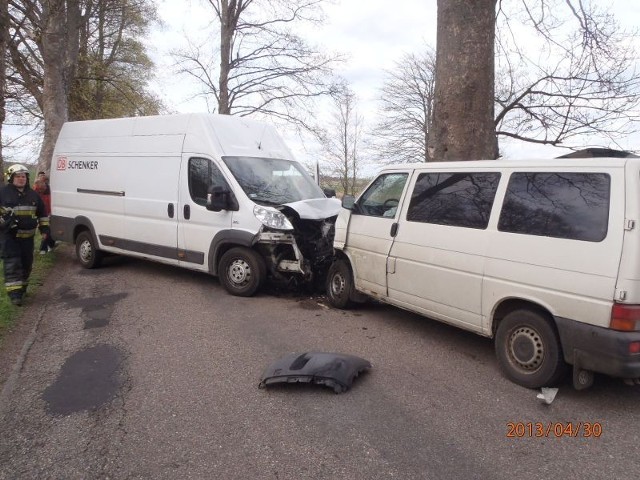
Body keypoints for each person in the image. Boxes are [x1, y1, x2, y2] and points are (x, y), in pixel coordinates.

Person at [0, 164, 50, 306]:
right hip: (9, 238)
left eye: (23, 176)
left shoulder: (33, 195)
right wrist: (3, 221)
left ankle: (22, 289)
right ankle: (15, 295)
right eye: (18, 176)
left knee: (26, 264)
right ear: (11, 178)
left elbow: (42, 213)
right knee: (12, 264)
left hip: (27, 239)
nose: (21, 179)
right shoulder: (3, 193)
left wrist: (45, 229)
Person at [33, 171, 55, 253]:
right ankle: (48, 245)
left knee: (47, 230)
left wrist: (50, 212)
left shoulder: (49, 190)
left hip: (48, 213)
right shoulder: (34, 192)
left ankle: (44, 247)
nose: (41, 191)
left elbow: (50, 202)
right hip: (39, 214)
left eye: (42, 189)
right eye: (39, 190)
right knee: (46, 230)